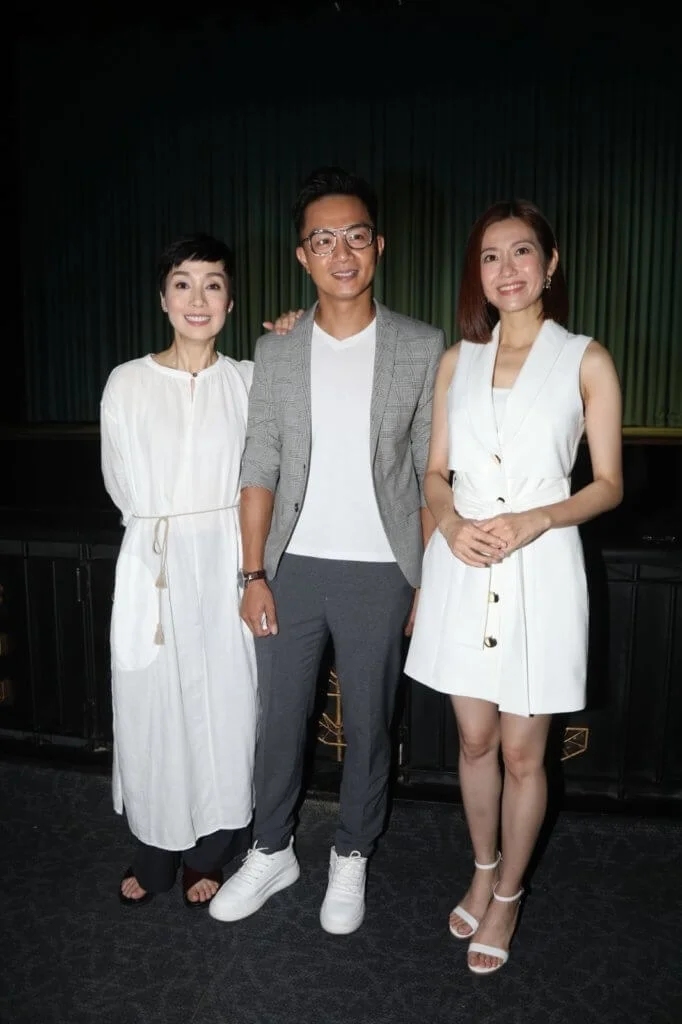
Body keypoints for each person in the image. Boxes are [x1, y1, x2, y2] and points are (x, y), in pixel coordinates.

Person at [209, 166, 445, 934]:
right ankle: (272, 849)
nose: (341, 253)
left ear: (379, 245)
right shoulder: (277, 349)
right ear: (302, 255)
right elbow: (260, 463)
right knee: (279, 720)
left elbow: (429, 471)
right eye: (323, 240)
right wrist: (253, 572)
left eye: (355, 236)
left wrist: (426, 580)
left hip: (382, 569)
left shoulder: (422, 345)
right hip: (292, 568)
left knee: (370, 725)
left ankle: (351, 853)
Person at [404, 199, 623, 973]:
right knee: (474, 740)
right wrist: (448, 522)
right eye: (491, 256)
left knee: (526, 755)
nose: (507, 270)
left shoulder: (586, 359)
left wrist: (537, 518)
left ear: (550, 263)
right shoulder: (456, 361)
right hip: (462, 563)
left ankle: (508, 894)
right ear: (478, 271)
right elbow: (434, 472)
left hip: (541, 566)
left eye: (522, 252)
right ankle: (482, 865)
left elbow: (608, 485)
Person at [100, 234, 258, 908]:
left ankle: (212, 850)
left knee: (227, 707)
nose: (199, 298)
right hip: (154, 563)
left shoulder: (248, 381)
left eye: (214, 284)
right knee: (153, 710)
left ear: (230, 300)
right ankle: (155, 847)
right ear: (163, 298)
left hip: (226, 559)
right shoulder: (128, 382)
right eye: (183, 283)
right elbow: (119, 480)